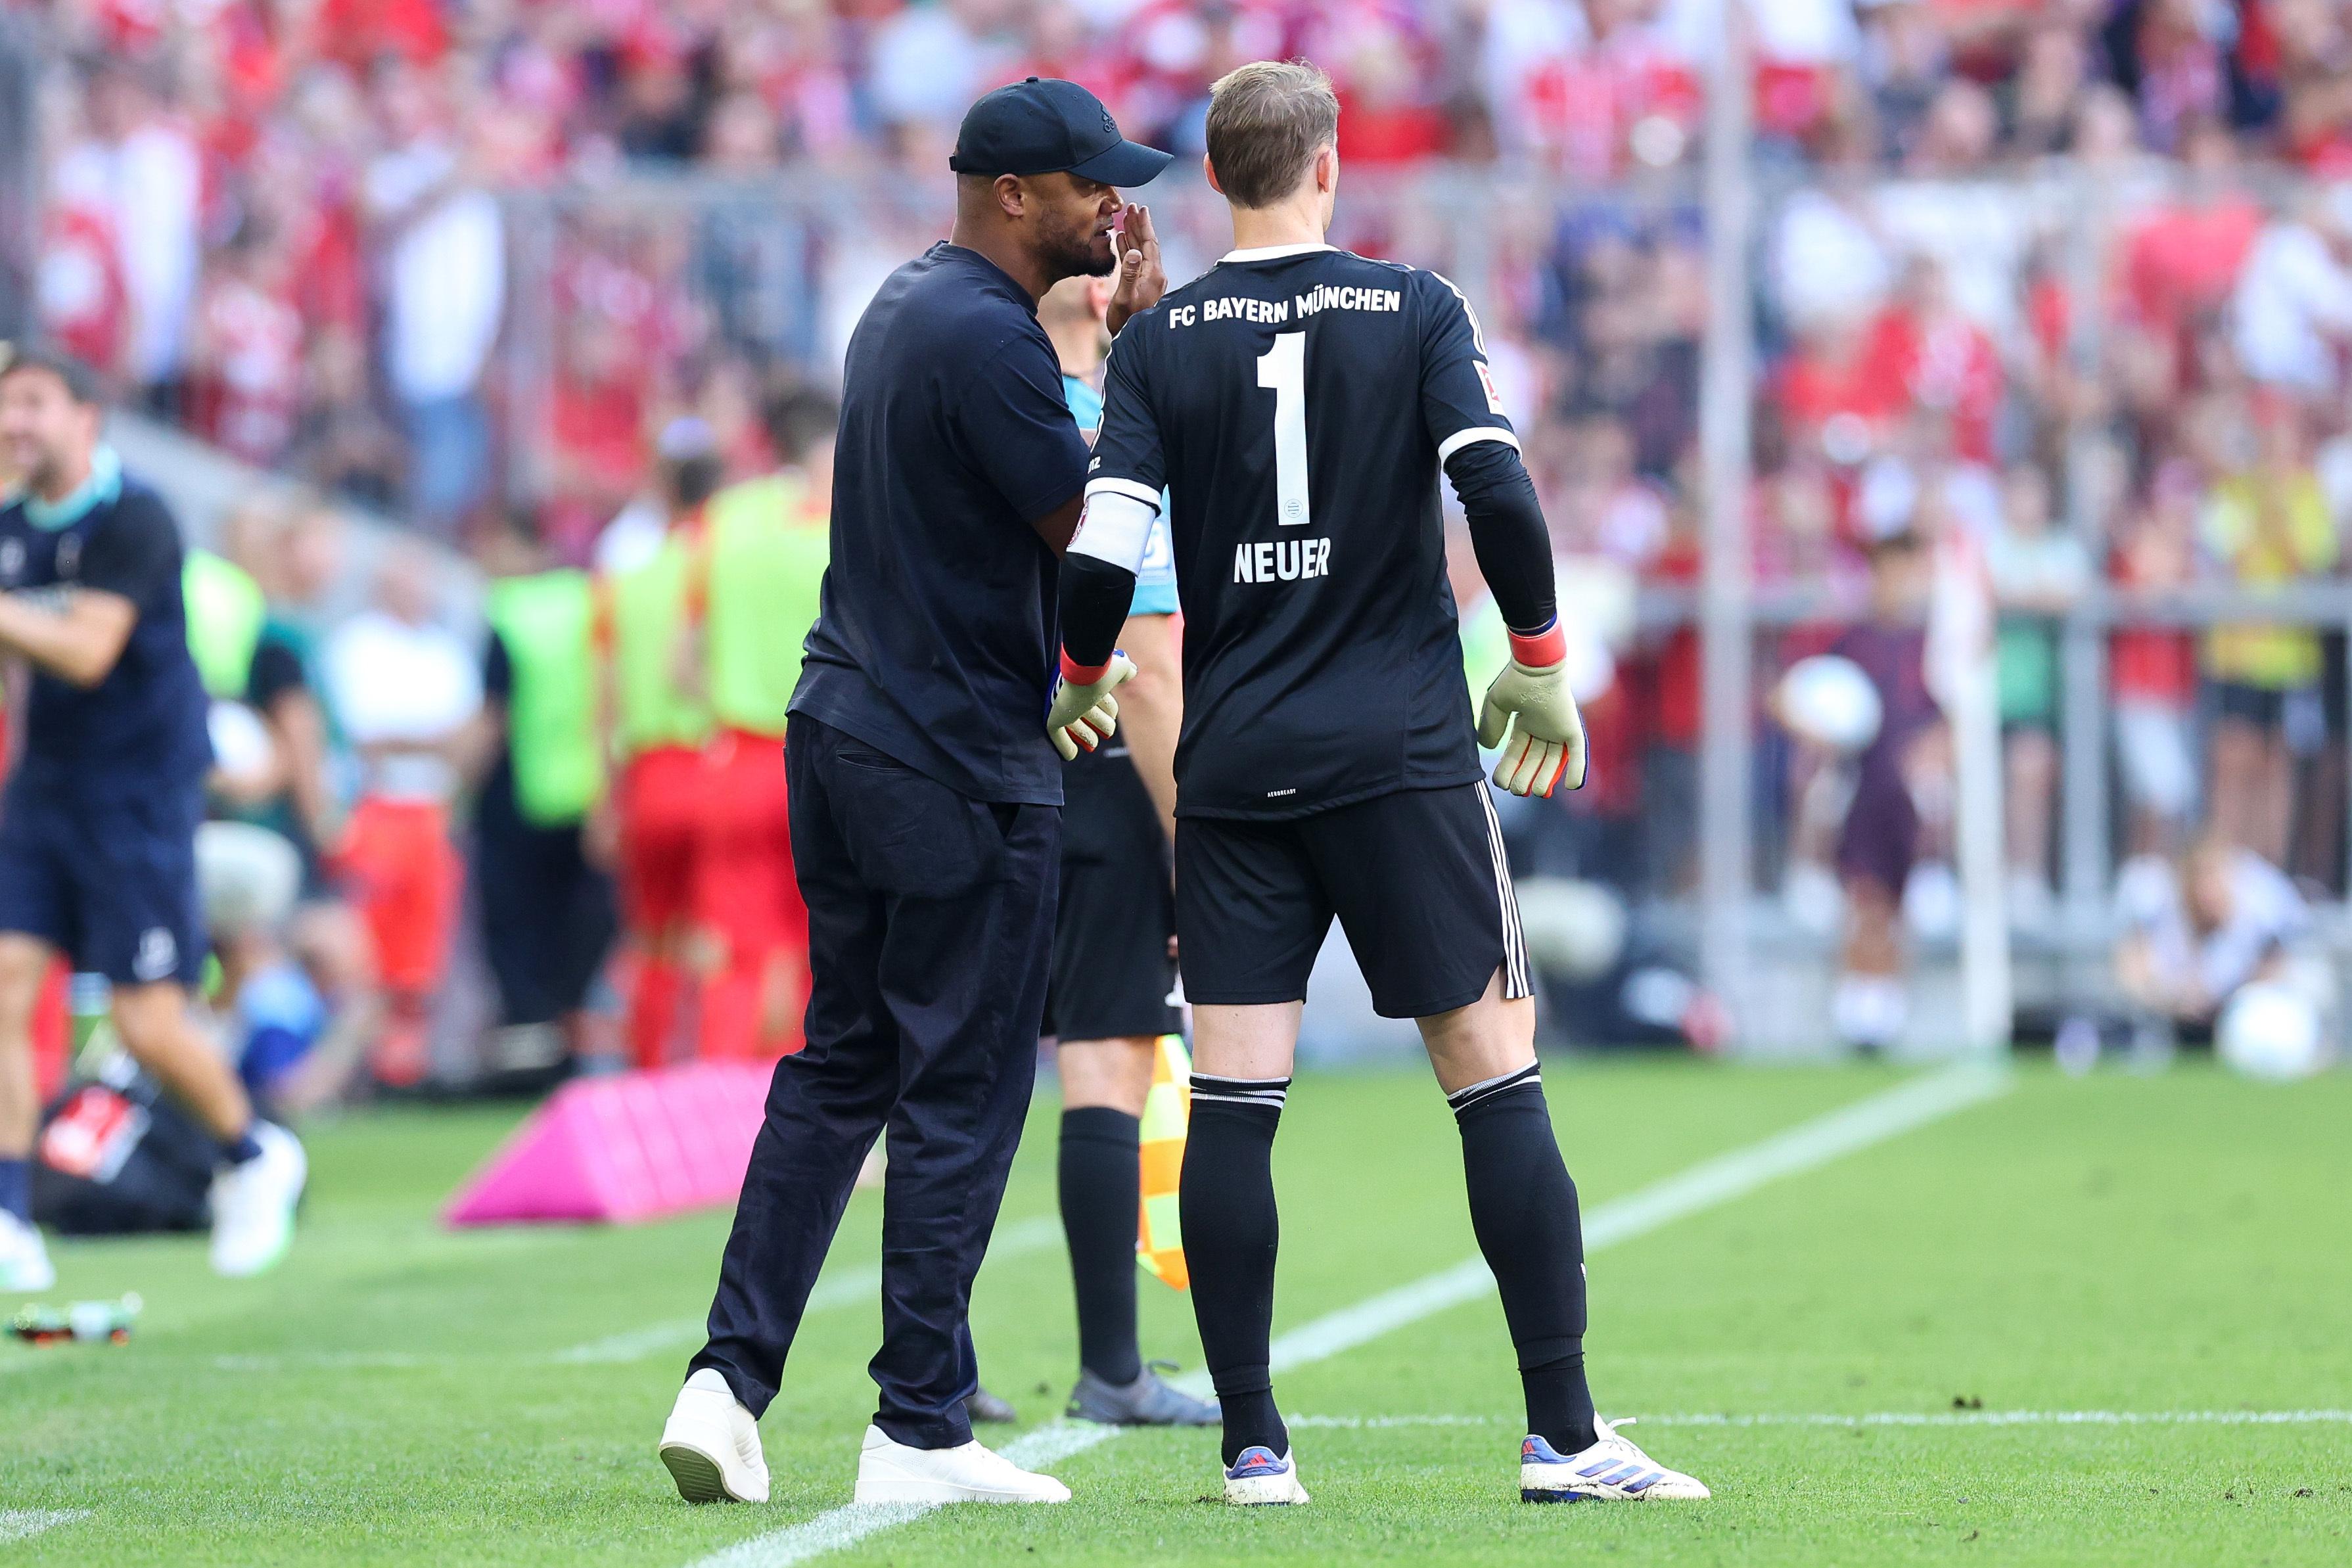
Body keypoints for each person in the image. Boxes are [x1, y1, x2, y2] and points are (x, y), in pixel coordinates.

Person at [1053, 60, 1705, 1506]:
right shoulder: (1413, 306)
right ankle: (1563, 1432)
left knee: (1233, 1096)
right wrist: (1536, 655)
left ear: (1216, 179)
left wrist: (1081, 670)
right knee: (1494, 1074)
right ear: (1329, 166)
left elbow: (1105, 547)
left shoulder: (1159, 347)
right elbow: (1499, 488)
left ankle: (1251, 1446)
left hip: (1234, 764)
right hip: (1402, 756)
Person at [655, 78, 1169, 1508]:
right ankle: (920, 1425)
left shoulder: (905, 303)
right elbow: (1099, 540)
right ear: (1015, 195)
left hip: (846, 727)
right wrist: (1132, 363)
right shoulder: (993, 338)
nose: (1114, 209)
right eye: (1089, 186)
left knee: (842, 1066)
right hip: (952, 754)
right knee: (961, 1081)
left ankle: (727, 1378)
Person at [0, 348, 306, 1287]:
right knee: (6, 983)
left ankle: (253, 1152)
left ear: (85, 416)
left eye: (32, 404)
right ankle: (10, 1216)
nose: (13, 422)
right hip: (46, 790)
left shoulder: (135, 518)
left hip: (137, 800)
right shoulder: (13, 528)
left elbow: (87, 652)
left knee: (146, 1021)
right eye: (3, 407)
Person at [1031, 272, 1214, 1428]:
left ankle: (935, 1357)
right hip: (1098, 766)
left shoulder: (986, 395)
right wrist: (1194, 841)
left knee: (968, 1061)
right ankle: (1110, 1369)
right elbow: (1141, 654)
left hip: (987, 765)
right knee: (1103, 1061)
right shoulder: (1094, 425)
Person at [319, 540, 481, 1088]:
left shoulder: (445, 653)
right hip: (377, 810)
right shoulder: (358, 645)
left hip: (431, 813)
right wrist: (428, 743)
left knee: (421, 957)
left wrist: (416, 743)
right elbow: (366, 738)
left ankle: (400, 1072)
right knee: (369, 952)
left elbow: (464, 741)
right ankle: (355, 1072)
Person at [469, 511, 618, 1082]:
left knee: (515, 939)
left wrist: (456, 789)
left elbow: (493, 718)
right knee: (575, 937)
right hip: (586, 798)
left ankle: (526, 1070)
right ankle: (569, 1052)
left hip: (518, 800)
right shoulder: (591, 602)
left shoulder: (510, 613)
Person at [593, 421, 722, 1069]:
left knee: (650, 943)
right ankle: (716, 1090)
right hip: (712, 767)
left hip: (644, 777)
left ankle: (649, 1078)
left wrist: (604, 800)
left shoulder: (625, 580)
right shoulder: (723, 567)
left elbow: (606, 697)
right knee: (728, 940)